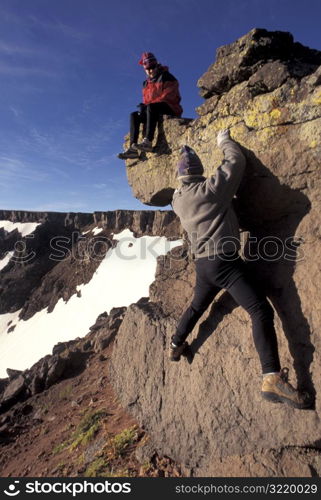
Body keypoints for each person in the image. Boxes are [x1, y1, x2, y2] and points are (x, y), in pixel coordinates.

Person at [170, 130, 312, 410]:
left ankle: (176, 344)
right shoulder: (210, 190)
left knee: (198, 306)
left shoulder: (177, 200)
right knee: (260, 311)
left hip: (203, 265)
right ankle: (271, 378)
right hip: (225, 263)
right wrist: (223, 141)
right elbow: (235, 161)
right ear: (198, 173)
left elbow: (180, 189)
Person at [118, 52, 183, 160]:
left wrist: (149, 105)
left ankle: (147, 141)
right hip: (153, 109)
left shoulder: (166, 76)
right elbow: (147, 100)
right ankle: (133, 150)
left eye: (152, 67)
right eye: (147, 69)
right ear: (144, 69)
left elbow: (169, 96)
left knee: (151, 107)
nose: (150, 71)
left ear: (156, 65)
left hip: (170, 107)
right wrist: (144, 106)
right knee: (134, 115)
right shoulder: (146, 83)